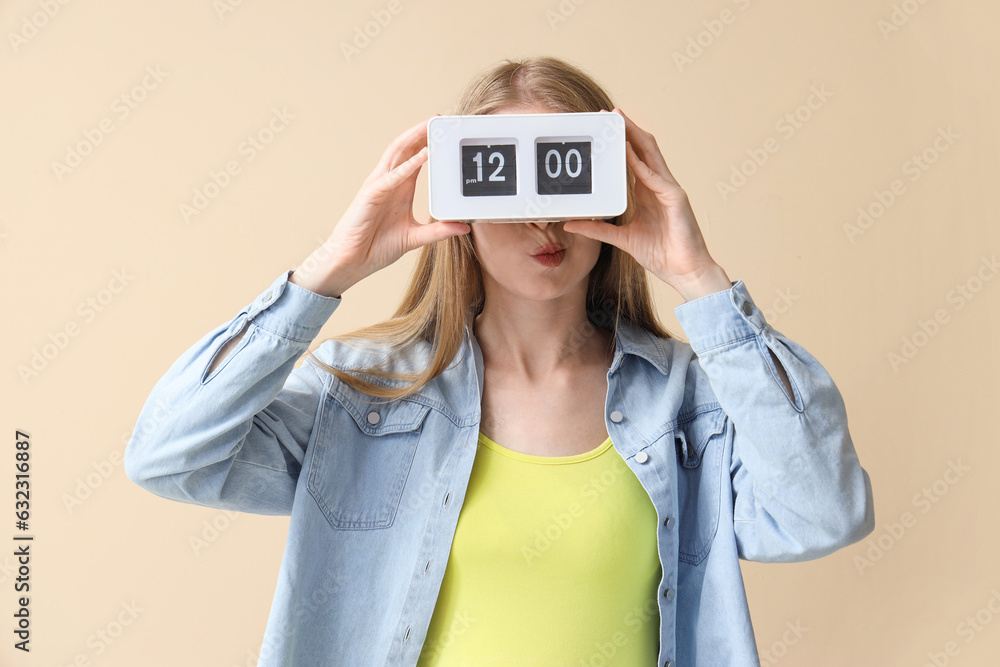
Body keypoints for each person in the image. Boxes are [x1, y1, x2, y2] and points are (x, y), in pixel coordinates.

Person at [124, 56, 875, 666]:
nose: (544, 220)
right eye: (508, 183)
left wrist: (700, 277)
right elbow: (167, 454)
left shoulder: (688, 403)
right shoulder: (365, 397)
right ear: (461, 199)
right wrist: (329, 269)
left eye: (565, 177)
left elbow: (825, 511)